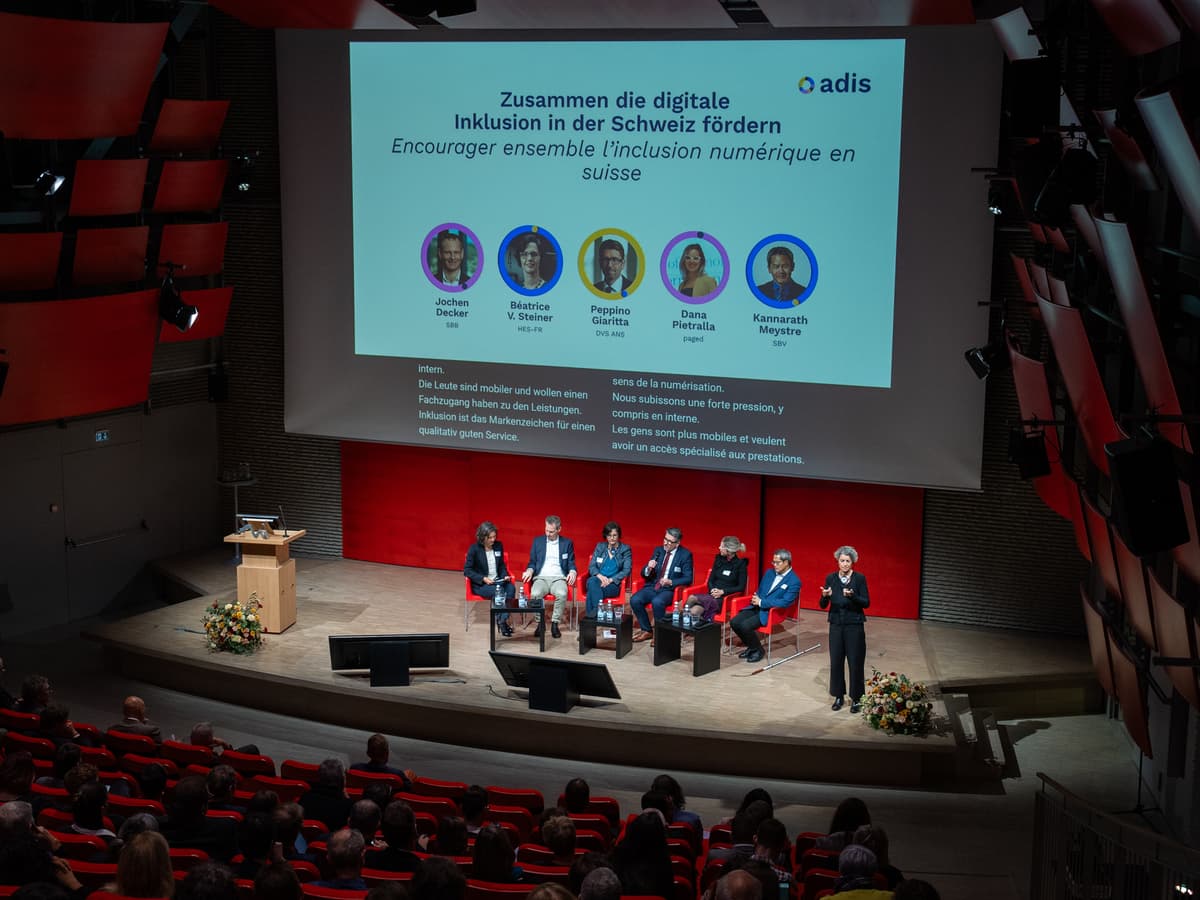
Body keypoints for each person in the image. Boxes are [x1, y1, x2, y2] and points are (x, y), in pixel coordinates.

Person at [820, 546, 871, 713]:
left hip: (854, 625)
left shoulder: (860, 579)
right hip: (836, 624)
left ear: (853, 562)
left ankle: (856, 698)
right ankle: (838, 696)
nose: (844, 564)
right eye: (842, 561)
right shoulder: (831, 578)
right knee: (836, 662)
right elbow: (822, 605)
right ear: (838, 561)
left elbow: (866, 603)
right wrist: (825, 596)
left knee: (855, 662)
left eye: (848, 561)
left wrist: (853, 596)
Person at [730, 550, 801, 663]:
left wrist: (762, 602)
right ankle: (752, 647)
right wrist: (756, 597)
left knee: (745, 626)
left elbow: (785, 602)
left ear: (786, 562)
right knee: (734, 622)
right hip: (757, 606)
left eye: (777, 562)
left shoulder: (794, 581)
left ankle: (758, 650)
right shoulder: (769, 573)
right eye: (773, 562)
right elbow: (761, 590)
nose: (774, 565)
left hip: (773, 612)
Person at [630, 527, 694, 642]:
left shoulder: (685, 555)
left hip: (669, 590)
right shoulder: (658, 550)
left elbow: (688, 578)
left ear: (677, 543)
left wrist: (671, 582)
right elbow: (645, 574)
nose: (666, 543)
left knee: (657, 602)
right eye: (665, 539)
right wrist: (648, 568)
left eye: (670, 542)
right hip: (652, 586)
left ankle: (660, 634)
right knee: (635, 599)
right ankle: (647, 630)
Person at [521, 515, 577, 640]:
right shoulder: (538, 541)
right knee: (535, 594)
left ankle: (555, 623)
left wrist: (572, 571)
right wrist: (529, 570)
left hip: (558, 578)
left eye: (551, 531)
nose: (548, 533)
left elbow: (571, 562)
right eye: (546, 530)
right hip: (541, 577)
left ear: (559, 529)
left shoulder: (567, 543)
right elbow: (532, 562)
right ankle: (540, 623)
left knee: (562, 593)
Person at [465, 521, 516, 637]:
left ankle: (501, 619)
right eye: (490, 538)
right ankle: (503, 623)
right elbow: (467, 570)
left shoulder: (498, 546)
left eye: (494, 537)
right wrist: (483, 578)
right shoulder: (474, 549)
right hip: (482, 584)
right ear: (483, 537)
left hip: (498, 580)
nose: (493, 540)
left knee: (511, 589)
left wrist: (504, 575)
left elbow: (502, 565)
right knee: (499, 592)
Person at [690, 536, 749, 623]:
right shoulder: (719, 559)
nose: (719, 548)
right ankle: (689, 629)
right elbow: (710, 580)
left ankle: (681, 622)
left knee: (692, 598)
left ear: (728, 550)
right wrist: (712, 590)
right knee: (694, 610)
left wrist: (722, 592)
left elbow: (741, 587)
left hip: (725, 599)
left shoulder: (740, 564)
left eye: (721, 546)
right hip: (712, 595)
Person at [584, 521, 632, 619]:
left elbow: (627, 570)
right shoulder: (600, 547)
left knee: (591, 592)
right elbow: (592, 566)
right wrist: (600, 577)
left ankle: (591, 618)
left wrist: (610, 580)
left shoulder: (625, 549)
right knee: (591, 581)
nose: (612, 538)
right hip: (598, 580)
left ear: (619, 535)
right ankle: (597, 612)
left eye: (614, 535)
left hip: (613, 584)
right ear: (605, 536)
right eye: (609, 535)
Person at [350, 733, 415, 788]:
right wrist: (406, 779)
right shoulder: (397, 775)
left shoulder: (355, 769)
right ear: (387, 753)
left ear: (368, 753)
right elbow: (409, 790)